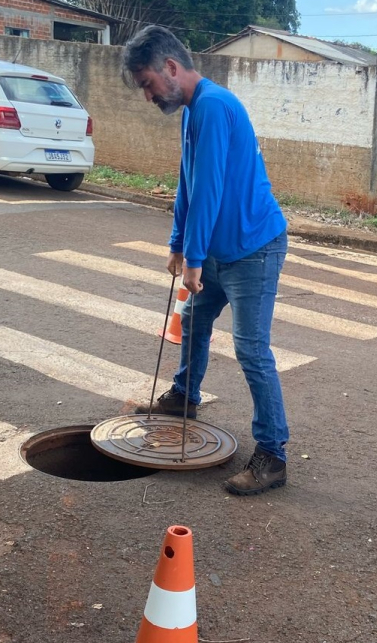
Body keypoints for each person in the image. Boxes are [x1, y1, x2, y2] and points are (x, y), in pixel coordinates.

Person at [122, 26, 290, 496]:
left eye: (148, 84)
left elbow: (212, 188)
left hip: (253, 248)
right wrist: (179, 243)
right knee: (193, 319)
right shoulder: (193, 113)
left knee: (252, 350)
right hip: (217, 249)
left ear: (171, 68)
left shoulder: (215, 106)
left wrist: (194, 258)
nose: (149, 95)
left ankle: (273, 455)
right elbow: (188, 182)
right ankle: (184, 398)